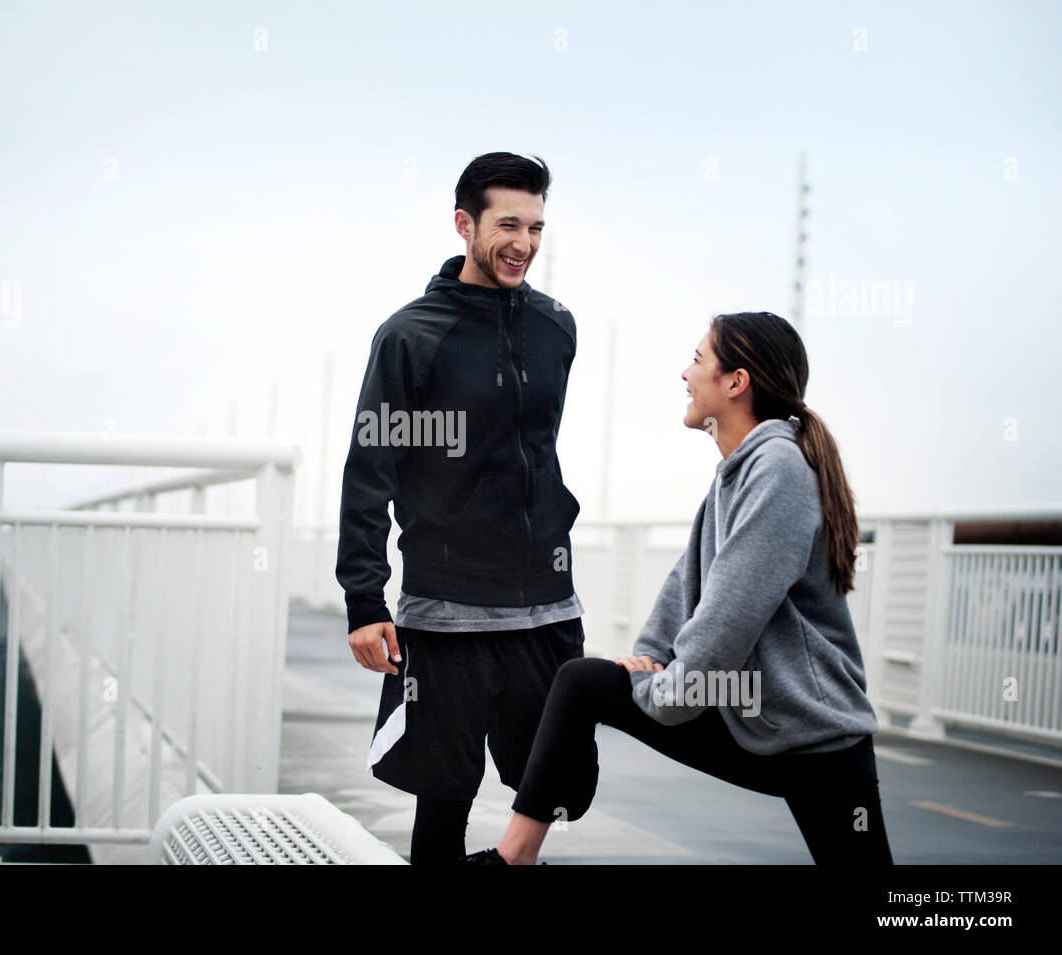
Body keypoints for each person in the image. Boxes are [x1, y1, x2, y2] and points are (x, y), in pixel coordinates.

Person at [462, 311, 895, 865]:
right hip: (751, 717)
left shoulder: (779, 469)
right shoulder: (733, 475)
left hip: (814, 736)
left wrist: (665, 690)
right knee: (586, 683)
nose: (684, 375)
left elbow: (729, 616)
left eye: (698, 360)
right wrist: (647, 660)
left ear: (736, 382)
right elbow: (684, 589)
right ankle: (514, 858)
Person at [336, 152, 585, 866]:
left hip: (546, 604)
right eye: (509, 224)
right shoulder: (412, 335)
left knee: (561, 788)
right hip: (445, 611)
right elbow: (369, 470)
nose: (525, 243)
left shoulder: (556, 327)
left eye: (537, 227)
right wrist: (362, 598)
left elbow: (535, 451)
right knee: (442, 798)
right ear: (464, 225)